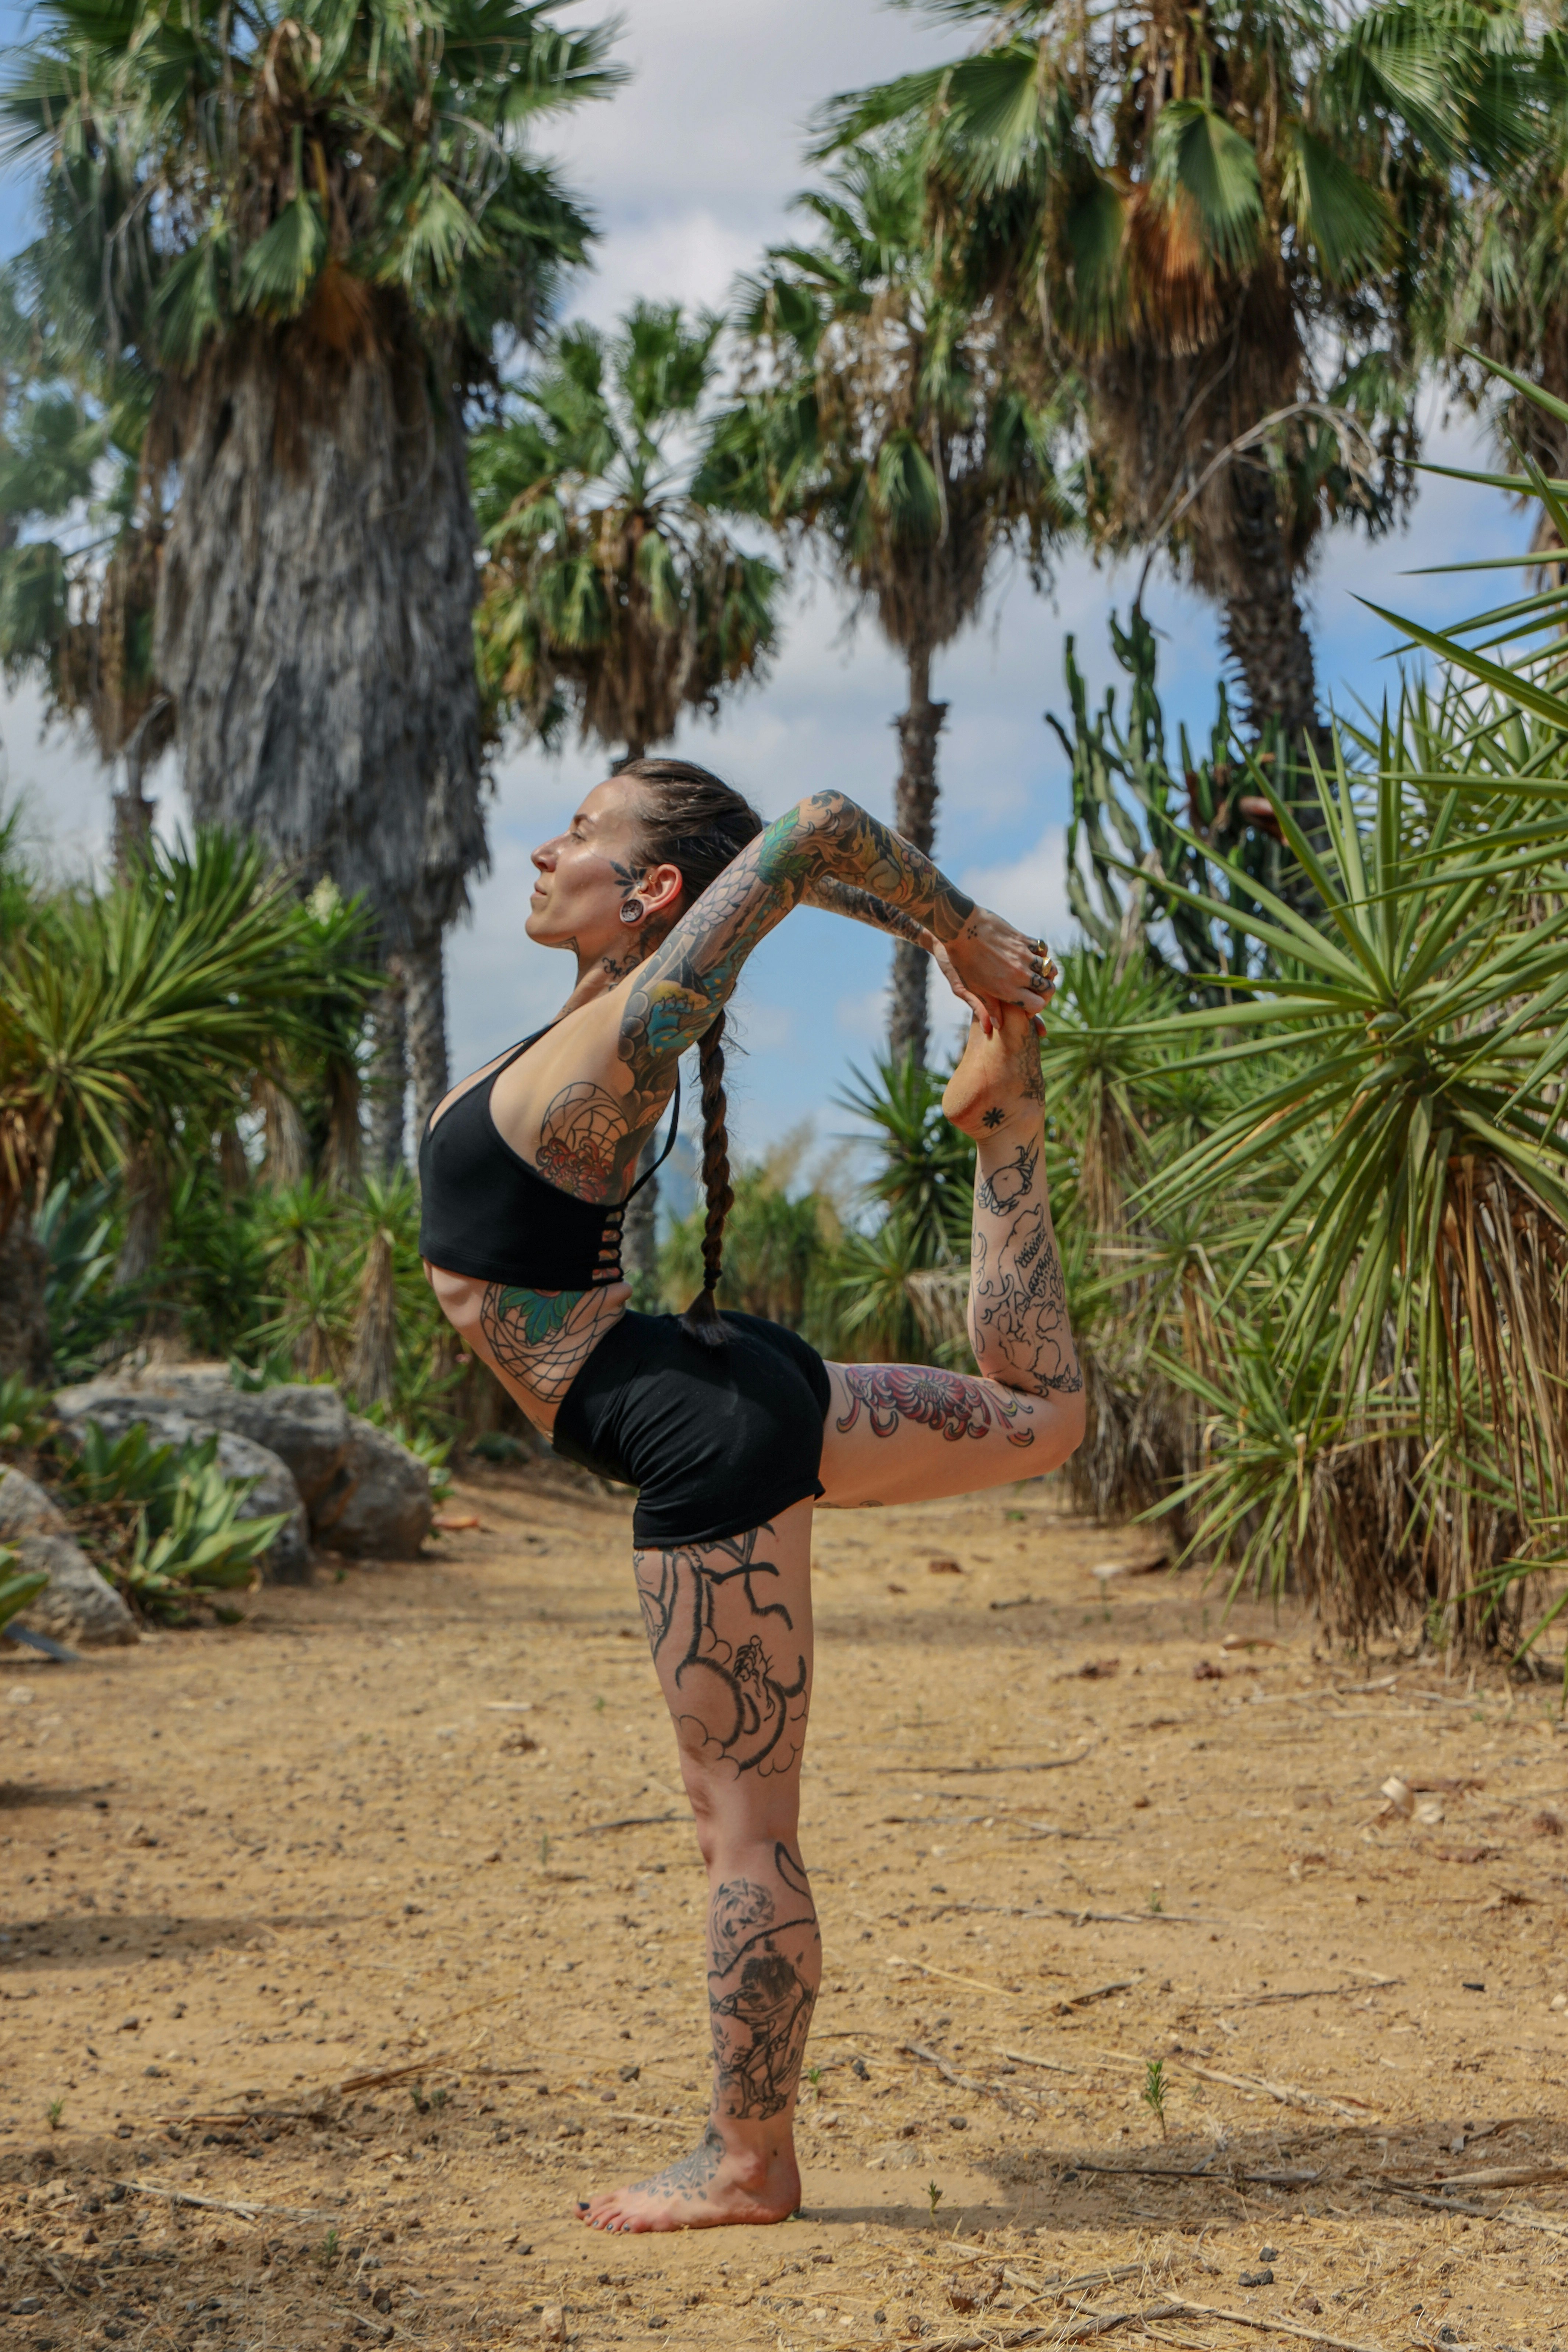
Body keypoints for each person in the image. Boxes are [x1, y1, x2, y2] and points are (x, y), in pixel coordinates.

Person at [418, 758, 1084, 2234]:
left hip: (699, 1429)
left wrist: (957, 928)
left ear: (650, 889)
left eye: (578, 835)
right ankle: (1007, 1123)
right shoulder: (611, 1011)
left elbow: (815, 828)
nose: (542, 848)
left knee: (743, 1831)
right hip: (731, 1378)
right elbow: (794, 873)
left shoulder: (625, 1042)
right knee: (1049, 1420)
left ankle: (747, 2157)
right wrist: (933, 943)